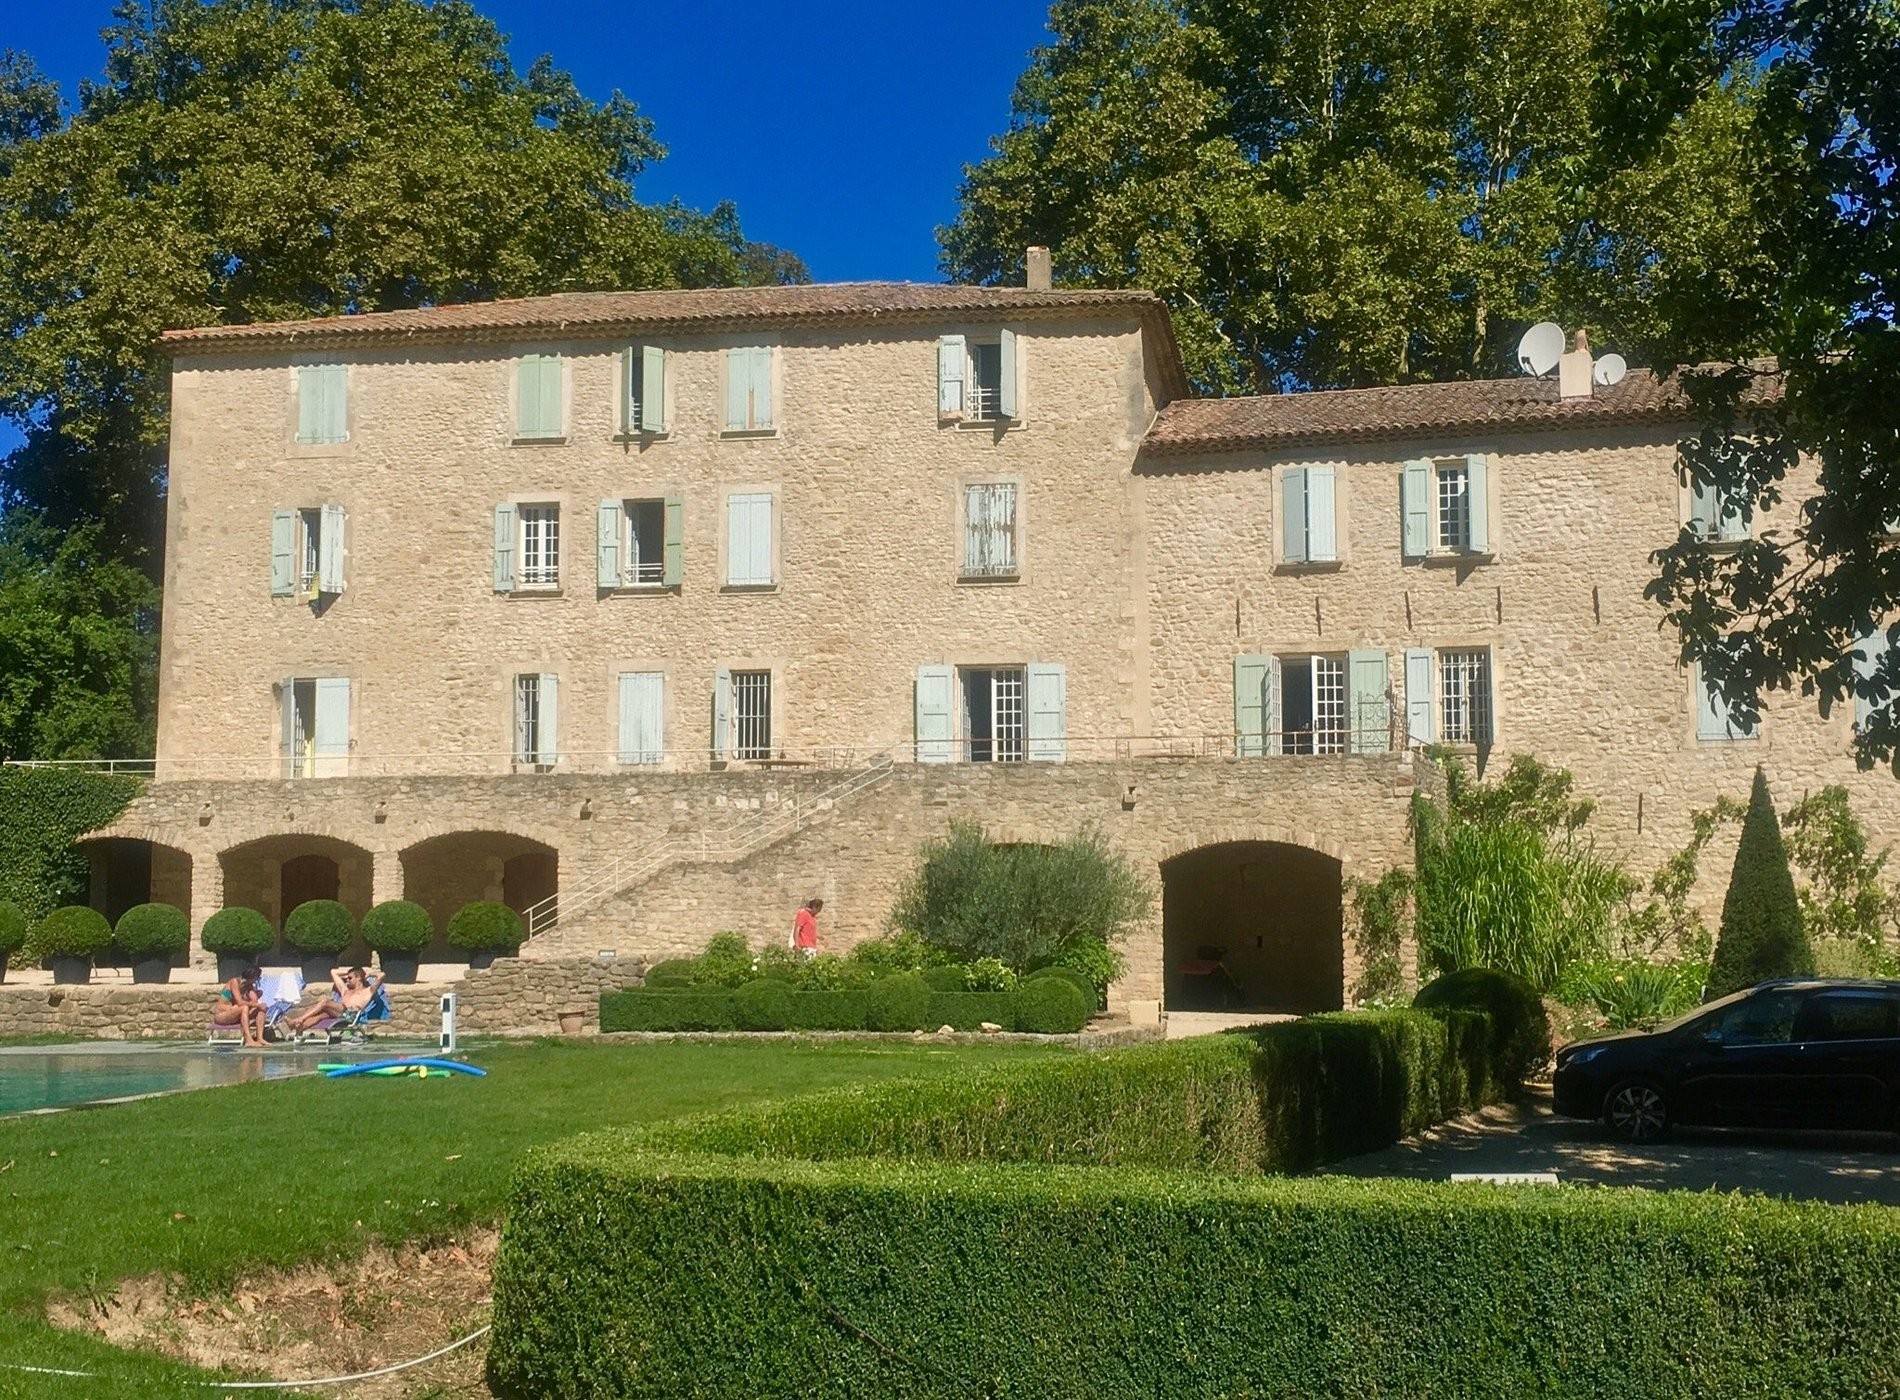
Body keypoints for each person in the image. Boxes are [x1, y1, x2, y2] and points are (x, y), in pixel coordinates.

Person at [285, 965, 384, 1033]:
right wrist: (350, 971)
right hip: (340, 1013)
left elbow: (382, 975)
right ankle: (301, 1027)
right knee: (320, 1015)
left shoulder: (368, 991)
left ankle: (299, 1019)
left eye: (350, 978)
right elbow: (333, 972)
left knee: (325, 1002)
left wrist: (367, 973)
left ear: (358, 978)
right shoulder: (345, 990)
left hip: (351, 1015)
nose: (347, 980)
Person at [212, 964, 269, 1047]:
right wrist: (256, 1004)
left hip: (236, 1015)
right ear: (252, 977)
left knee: (261, 1010)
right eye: (257, 977)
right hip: (222, 1015)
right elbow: (240, 1002)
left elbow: (255, 1001)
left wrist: (256, 995)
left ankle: (260, 1038)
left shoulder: (248, 986)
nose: (258, 980)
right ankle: (248, 1040)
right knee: (244, 1007)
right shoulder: (234, 982)